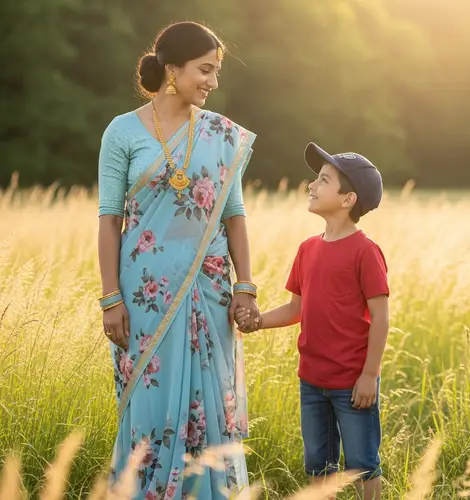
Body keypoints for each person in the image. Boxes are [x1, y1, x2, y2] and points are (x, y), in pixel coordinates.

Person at [97, 21, 260, 500]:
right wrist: (110, 297)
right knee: (149, 407)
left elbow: (235, 216)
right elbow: (110, 220)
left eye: (216, 71)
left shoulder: (219, 135)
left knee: (208, 410)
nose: (213, 81)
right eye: (204, 70)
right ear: (172, 69)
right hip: (143, 294)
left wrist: (245, 285)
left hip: (210, 291)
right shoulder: (123, 132)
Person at [236, 144, 390, 500]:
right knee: (318, 465)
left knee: (363, 463)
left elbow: (380, 317)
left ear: (348, 199)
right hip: (312, 380)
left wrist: (369, 375)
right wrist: (258, 321)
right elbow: (295, 310)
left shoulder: (365, 252)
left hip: (352, 383)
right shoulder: (308, 248)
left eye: (323, 180)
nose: (312, 185)